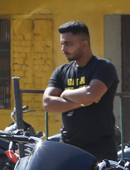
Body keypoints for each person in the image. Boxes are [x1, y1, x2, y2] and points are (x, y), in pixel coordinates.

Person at [42, 21, 120, 161]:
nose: (63, 49)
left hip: (100, 148)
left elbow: (92, 94)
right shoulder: (61, 71)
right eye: (62, 44)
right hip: (68, 146)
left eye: (68, 44)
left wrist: (65, 94)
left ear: (84, 44)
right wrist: (82, 102)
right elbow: (47, 103)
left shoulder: (103, 67)